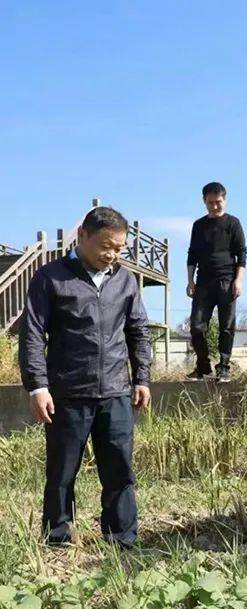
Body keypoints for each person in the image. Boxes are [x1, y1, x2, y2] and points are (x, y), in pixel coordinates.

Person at [19, 207, 151, 548]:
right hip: (68, 392)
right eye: (106, 246)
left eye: (120, 248)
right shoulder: (51, 278)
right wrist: (38, 386)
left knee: (119, 471)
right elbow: (33, 334)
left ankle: (121, 540)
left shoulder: (125, 281)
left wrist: (142, 378)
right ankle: (58, 540)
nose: (112, 255)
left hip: (116, 392)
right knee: (62, 473)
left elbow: (138, 331)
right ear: (83, 237)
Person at [186, 181, 247, 383]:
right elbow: (192, 255)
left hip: (227, 281)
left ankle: (224, 367)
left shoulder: (233, 223)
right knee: (196, 326)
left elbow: (242, 254)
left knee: (226, 326)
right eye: (210, 202)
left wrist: (238, 280)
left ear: (225, 200)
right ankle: (203, 367)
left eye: (218, 202)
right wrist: (190, 281)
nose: (214, 206)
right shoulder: (198, 225)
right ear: (204, 201)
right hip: (203, 282)